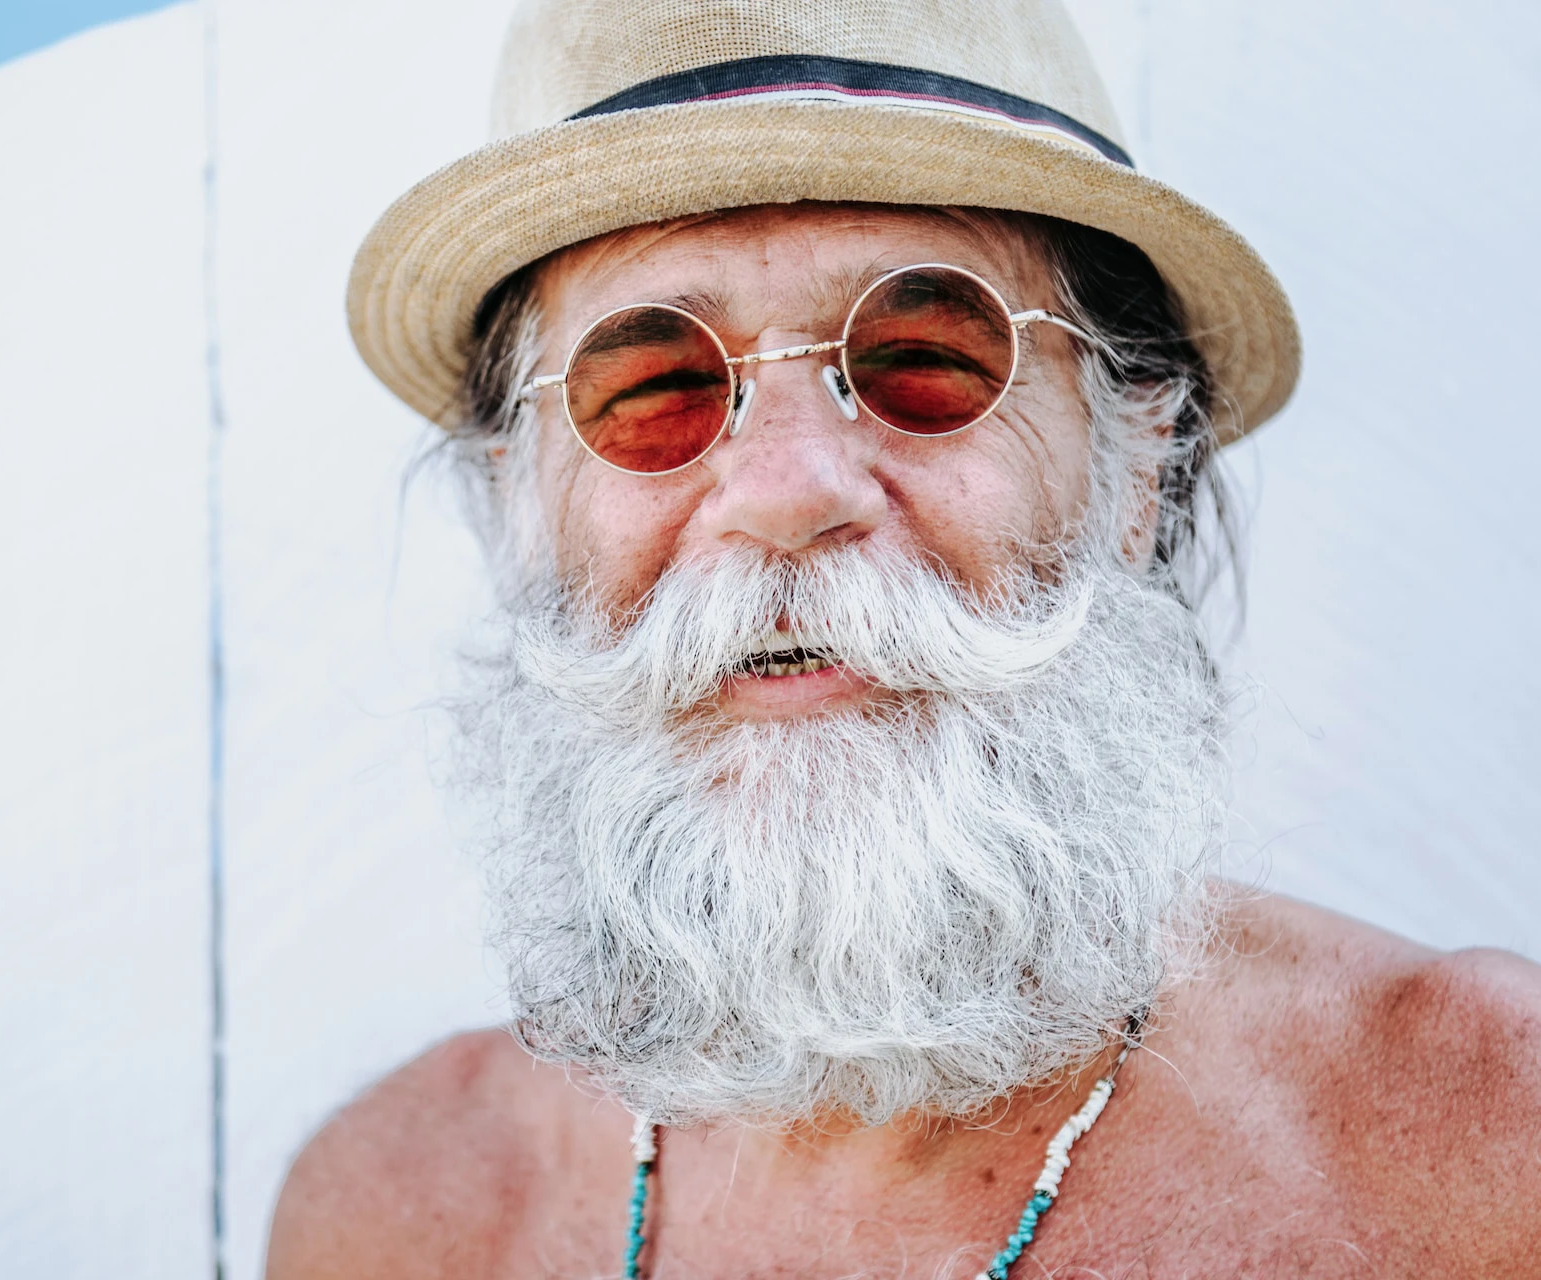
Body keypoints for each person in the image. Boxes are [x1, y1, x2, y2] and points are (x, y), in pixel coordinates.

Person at [269, 0, 1541, 1274]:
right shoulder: (403, 1211)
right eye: (656, 387)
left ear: (1135, 467)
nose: (785, 491)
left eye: (924, 358)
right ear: (517, 501)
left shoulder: (1485, 1155)